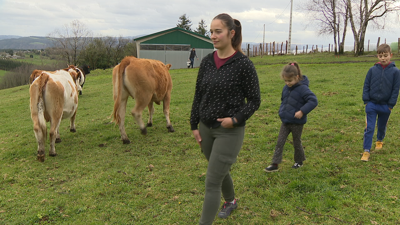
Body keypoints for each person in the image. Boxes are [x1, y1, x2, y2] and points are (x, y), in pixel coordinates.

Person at [190, 13, 261, 224]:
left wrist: (236, 119)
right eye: (211, 32)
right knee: (218, 169)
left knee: (212, 181)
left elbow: (255, 100)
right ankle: (230, 201)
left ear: (231, 33)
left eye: (217, 31)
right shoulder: (206, 62)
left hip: (229, 131)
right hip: (205, 128)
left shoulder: (243, 64)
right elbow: (198, 94)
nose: (213, 36)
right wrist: (194, 125)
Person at [264, 62, 318, 172]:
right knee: (280, 141)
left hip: (297, 122)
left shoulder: (303, 89)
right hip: (285, 120)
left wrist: (302, 111)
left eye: (290, 81)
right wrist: (282, 111)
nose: (287, 83)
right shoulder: (285, 88)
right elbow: (284, 100)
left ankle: (299, 161)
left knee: (296, 141)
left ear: (297, 77)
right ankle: (275, 164)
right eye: (285, 81)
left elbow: (313, 101)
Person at [361, 44, 400, 162]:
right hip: (371, 104)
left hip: (385, 106)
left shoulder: (396, 71)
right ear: (377, 56)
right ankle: (366, 151)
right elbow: (366, 85)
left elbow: (396, 89)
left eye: (385, 56)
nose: (383, 58)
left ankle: (379, 140)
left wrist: (390, 105)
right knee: (370, 128)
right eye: (380, 56)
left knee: (382, 126)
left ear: (390, 55)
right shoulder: (372, 70)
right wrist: (366, 101)